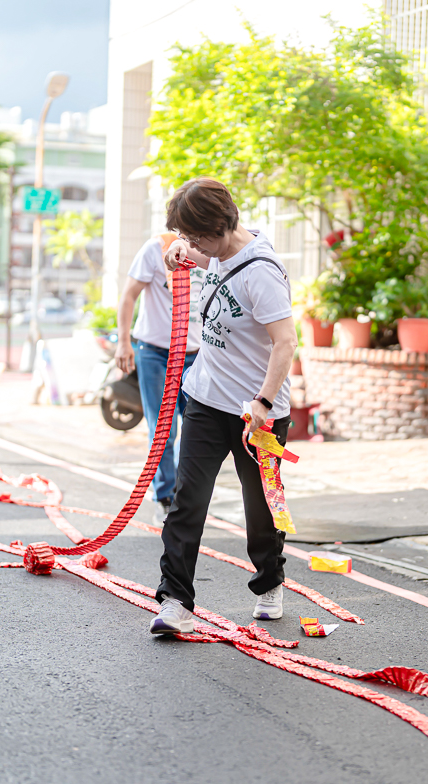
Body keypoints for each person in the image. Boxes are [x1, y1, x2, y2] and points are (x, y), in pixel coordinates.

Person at [149, 178, 297, 635]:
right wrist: (178, 250)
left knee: (261, 510)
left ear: (218, 228)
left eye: (195, 238)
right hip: (206, 400)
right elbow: (183, 248)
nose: (190, 246)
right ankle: (175, 600)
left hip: (258, 412)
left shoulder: (261, 271)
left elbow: (286, 343)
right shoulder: (212, 249)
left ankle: (270, 581)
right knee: (187, 501)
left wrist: (263, 401)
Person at [115, 233, 204, 524]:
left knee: (196, 430)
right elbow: (129, 294)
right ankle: (165, 497)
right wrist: (123, 342)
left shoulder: (211, 249)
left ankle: (183, 494)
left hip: (196, 354)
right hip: (156, 353)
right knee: (163, 430)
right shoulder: (155, 248)